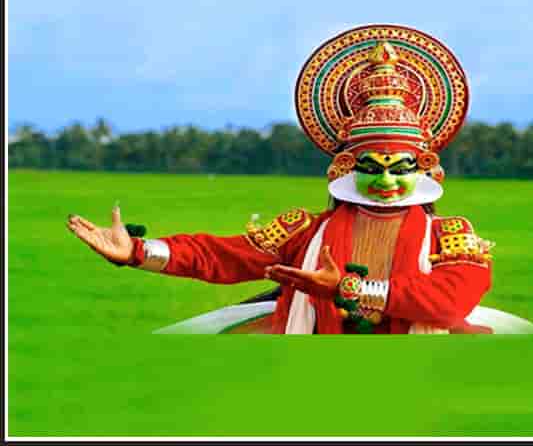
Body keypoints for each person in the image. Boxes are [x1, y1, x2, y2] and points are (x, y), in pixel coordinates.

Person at [66, 25, 502, 334]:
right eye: (371, 166)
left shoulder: (452, 235)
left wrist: (350, 287)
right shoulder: (304, 230)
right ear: (344, 169)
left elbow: (449, 300)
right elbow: (222, 256)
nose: (386, 180)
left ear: (426, 168)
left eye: (401, 167)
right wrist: (138, 251)